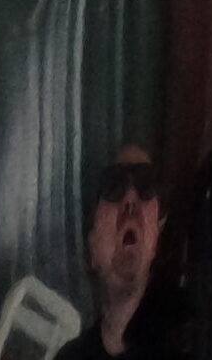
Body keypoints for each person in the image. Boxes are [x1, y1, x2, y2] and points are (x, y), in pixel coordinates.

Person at [59, 145, 175, 358]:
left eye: (146, 184)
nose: (130, 200)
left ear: (156, 239)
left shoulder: (190, 345)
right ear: (91, 247)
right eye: (113, 185)